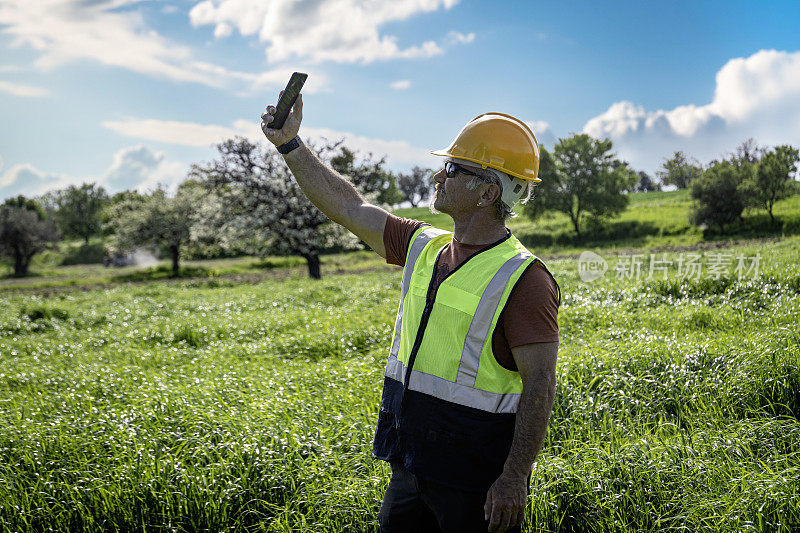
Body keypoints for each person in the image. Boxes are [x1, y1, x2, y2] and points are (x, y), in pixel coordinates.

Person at [261, 94, 560, 533]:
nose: (440, 175)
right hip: (410, 463)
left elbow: (541, 384)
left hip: (475, 482)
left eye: (455, 169)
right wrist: (290, 145)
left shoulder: (525, 279)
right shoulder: (424, 245)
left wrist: (514, 477)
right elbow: (348, 207)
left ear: (488, 192)